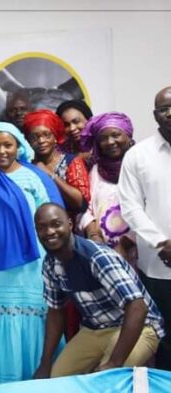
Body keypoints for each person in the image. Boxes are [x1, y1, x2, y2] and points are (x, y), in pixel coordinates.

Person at [0, 122, 64, 386]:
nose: (2, 151)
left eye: (8, 145)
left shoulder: (34, 178)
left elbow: (51, 220)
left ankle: (35, 382)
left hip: (31, 268)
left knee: (33, 321)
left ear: (19, 146)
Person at [33, 203, 164, 377]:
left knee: (106, 380)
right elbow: (56, 312)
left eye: (56, 224)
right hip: (94, 329)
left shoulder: (96, 257)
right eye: (42, 227)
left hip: (140, 327)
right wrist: (45, 363)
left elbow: (138, 308)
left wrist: (114, 363)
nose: (50, 232)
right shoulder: (50, 264)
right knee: (57, 379)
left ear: (70, 224)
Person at [119, 86, 171, 370]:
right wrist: (162, 243)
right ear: (155, 115)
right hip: (159, 266)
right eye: (165, 108)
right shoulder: (138, 155)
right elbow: (130, 206)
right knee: (165, 340)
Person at [77, 112, 136, 263]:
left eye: (116, 135)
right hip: (105, 254)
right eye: (103, 138)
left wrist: (126, 243)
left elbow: (153, 210)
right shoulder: (95, 170)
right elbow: (86, 207)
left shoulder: (141, 165)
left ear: (128, 136)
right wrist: (93, 233)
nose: (110, 142)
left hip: (140, 250)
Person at [24, 109, 88, 214]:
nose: (41, 141)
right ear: (29, 141)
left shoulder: (71, 162)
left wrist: (50, 175)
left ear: (55, 137)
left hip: (68, 226)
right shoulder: (27, 168)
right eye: (34, 137)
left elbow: (80, 203)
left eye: (46, 135)